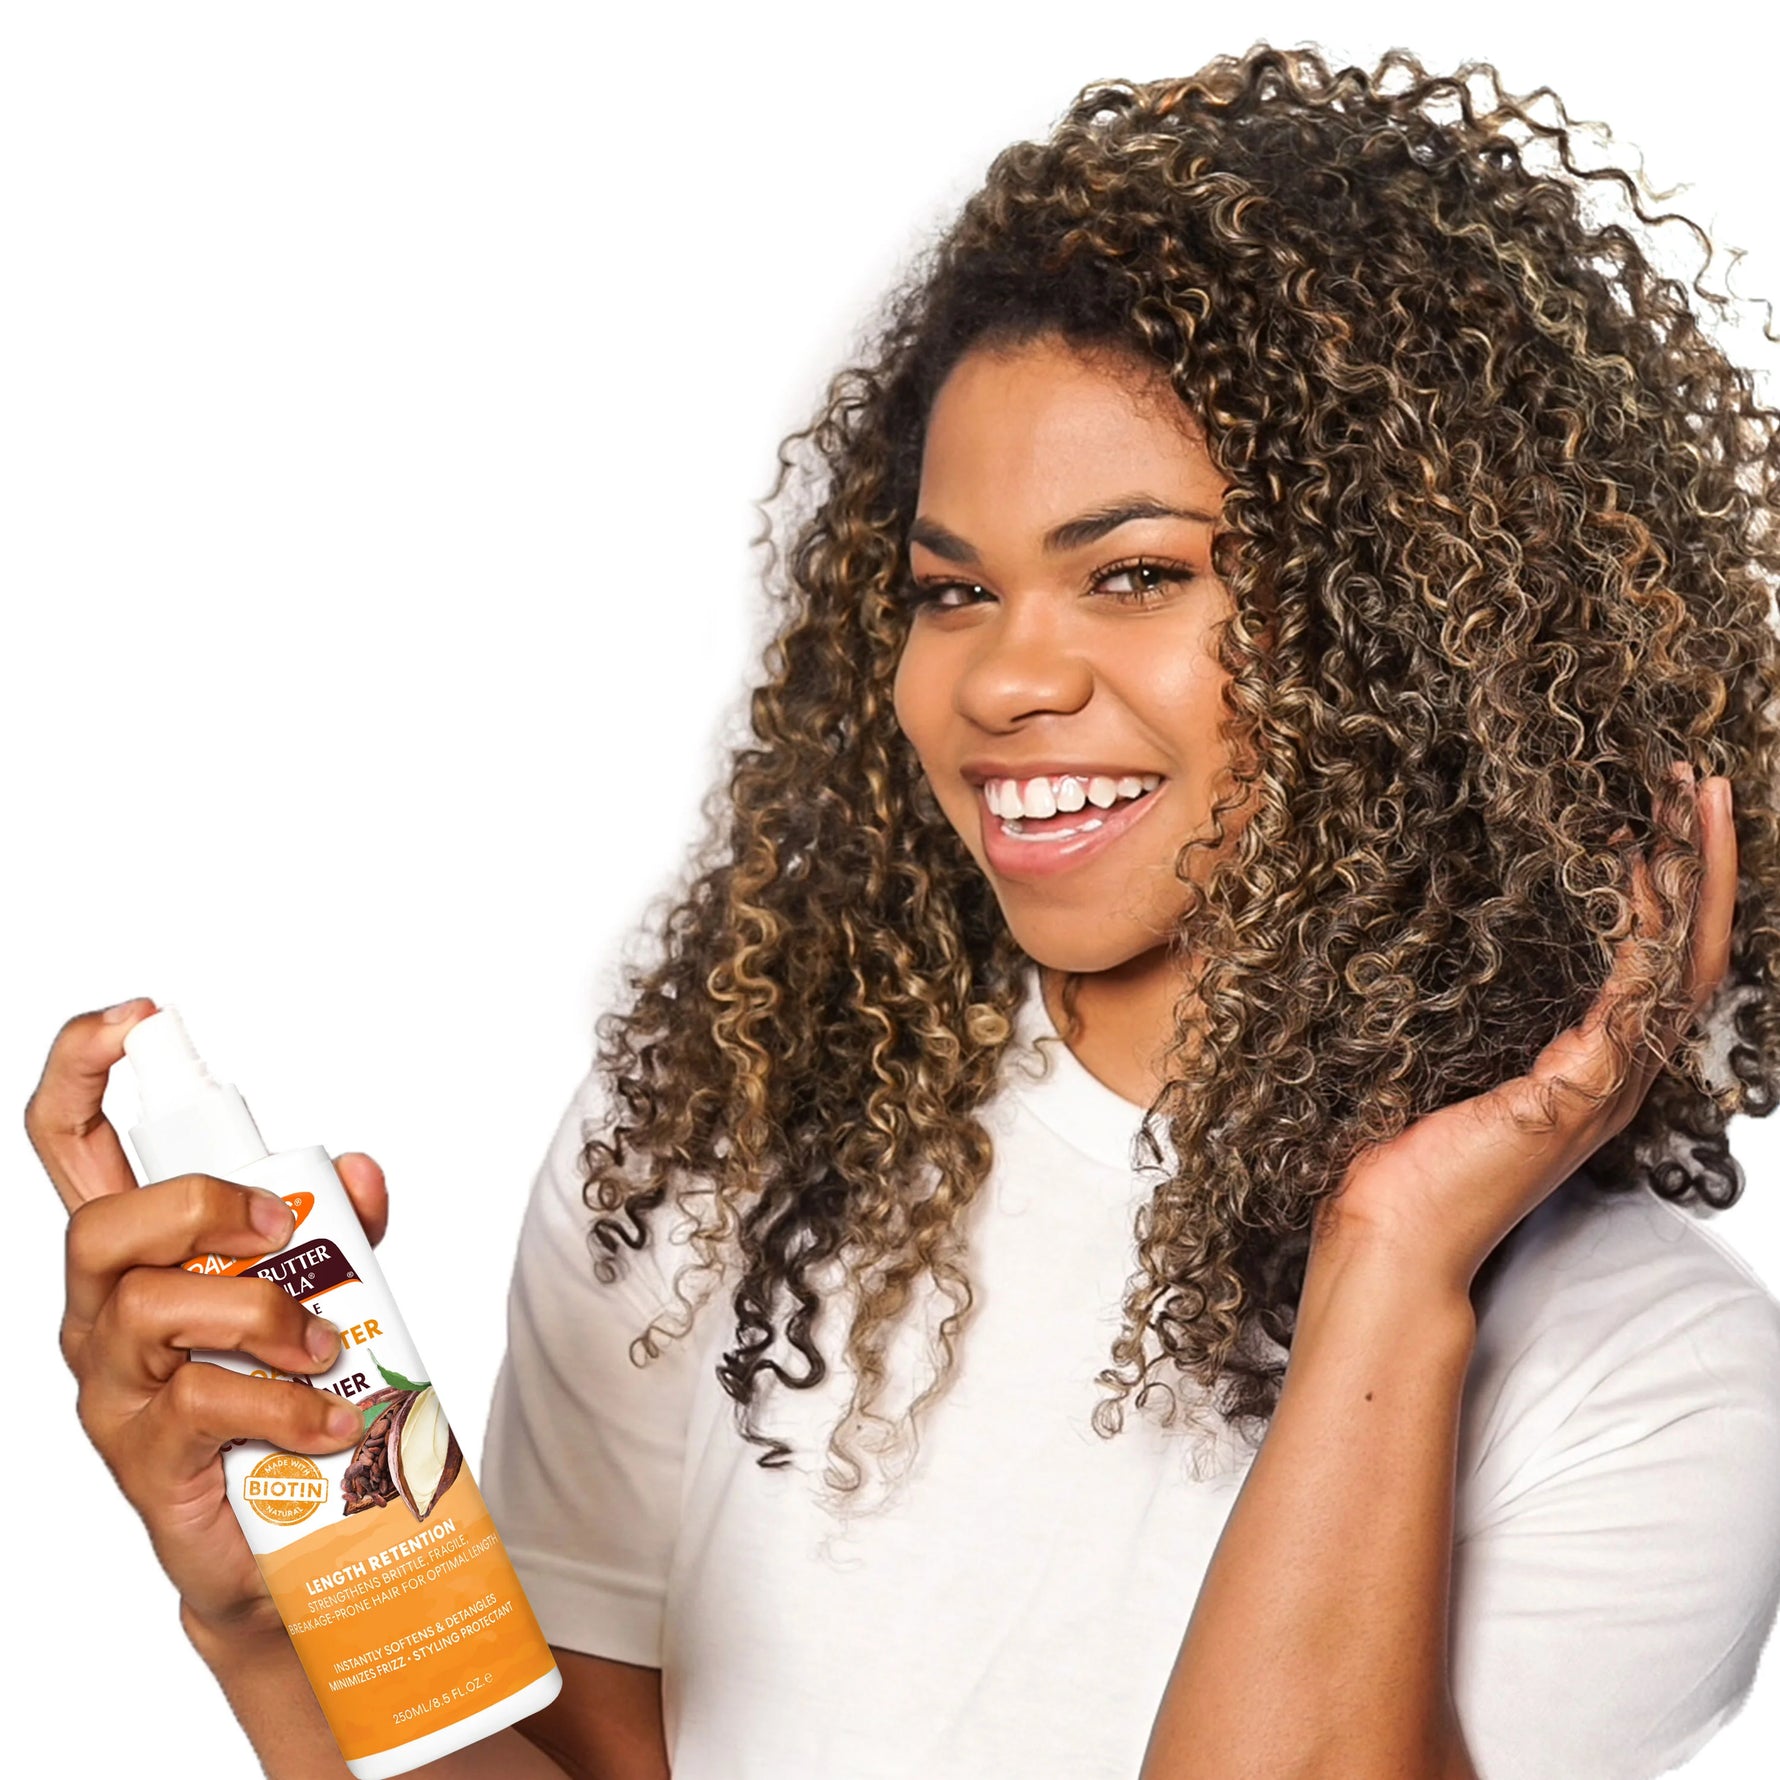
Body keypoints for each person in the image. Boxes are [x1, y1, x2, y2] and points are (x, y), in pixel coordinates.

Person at [29, 41, 1780, 1780]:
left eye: (1138, 574)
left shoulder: (1652, 1391)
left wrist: (1393, 1264)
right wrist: (281, 1618)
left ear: (1414, 626)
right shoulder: (712, 1153)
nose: (1005, 679)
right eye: (953, 591)